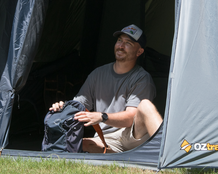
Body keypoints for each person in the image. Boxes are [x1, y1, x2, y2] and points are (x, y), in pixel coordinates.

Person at [50, 24, 163, 153]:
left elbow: (131, 118)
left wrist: (102, 117)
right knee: (80, 144)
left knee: (146, 105)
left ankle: (166, 155)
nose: (121, 46)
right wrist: (62, 107)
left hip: (133, 136)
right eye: (119, 40)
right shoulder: (98, 74)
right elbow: (78, 105)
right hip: (106, 139)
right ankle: (116, 156)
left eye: (128, 43)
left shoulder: (142, 78)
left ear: (139, 52)